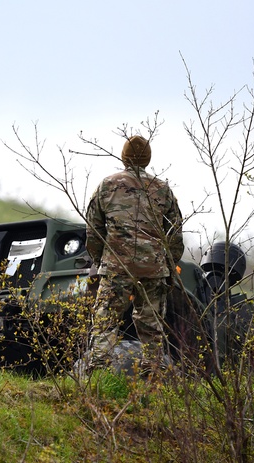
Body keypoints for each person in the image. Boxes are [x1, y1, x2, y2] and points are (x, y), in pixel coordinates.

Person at [80, 135, 184, 374]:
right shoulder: (163, 189)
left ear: (123, 156)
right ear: (148, 159)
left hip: (117, 266)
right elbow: (175, 235)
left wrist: (102, 262)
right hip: (153, 267)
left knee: (106, 321)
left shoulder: (107, 185)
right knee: (151, 324)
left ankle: (97, 373)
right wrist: (167, 265)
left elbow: (93, 231)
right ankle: (153, 375)